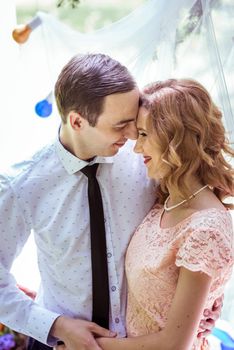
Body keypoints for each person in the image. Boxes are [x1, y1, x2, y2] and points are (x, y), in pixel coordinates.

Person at [0, 55, 222, 350]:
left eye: (135, 123)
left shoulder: (148, 158)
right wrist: (54, 325)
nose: (132, 135)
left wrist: (204, 302)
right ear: (77, 121)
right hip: (61, 344)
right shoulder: (23, 184)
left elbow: (193, 227)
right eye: (121, 125)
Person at [95, 78, 234, 350]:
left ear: (175, 138)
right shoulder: (165, 197)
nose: (136, 148)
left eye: (144, 135)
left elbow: (173, 344)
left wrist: (88, 346)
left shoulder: (206, 229)